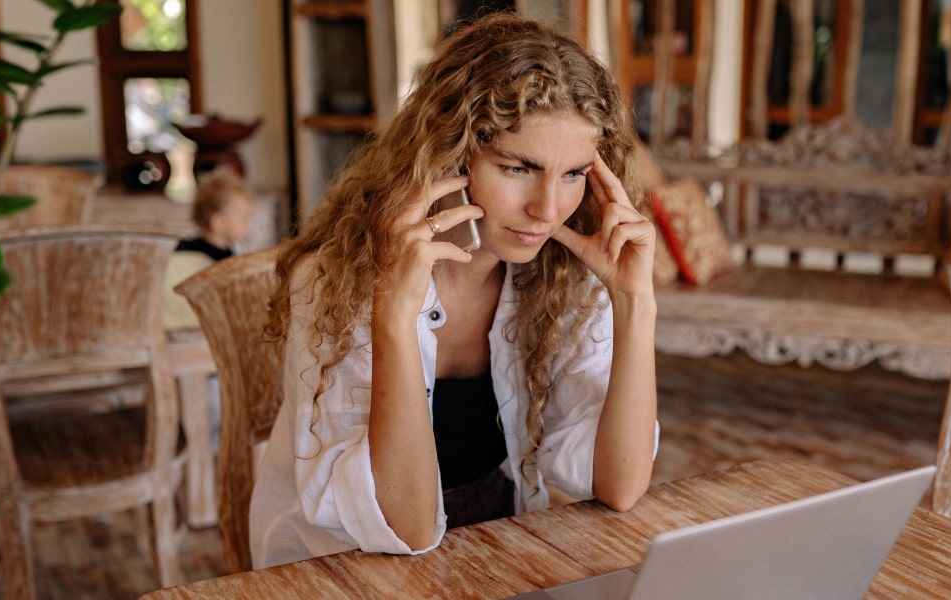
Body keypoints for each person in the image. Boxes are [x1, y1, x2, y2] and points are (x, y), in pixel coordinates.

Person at [251, 13, 658, 568]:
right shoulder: (336, 281)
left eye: (574, 174)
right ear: (449, 150)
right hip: (347, 561)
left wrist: (635, 304)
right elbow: (409, 528)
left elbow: (621, 485)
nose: (547, 208)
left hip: (497, 538)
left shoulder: (563, 275)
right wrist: (395, 318)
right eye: (518, 168)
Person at [161, 167, 254, 331]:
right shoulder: (217, 262)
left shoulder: (183, 245)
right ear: (217, 223)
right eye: (244, 218)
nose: (248, 225)